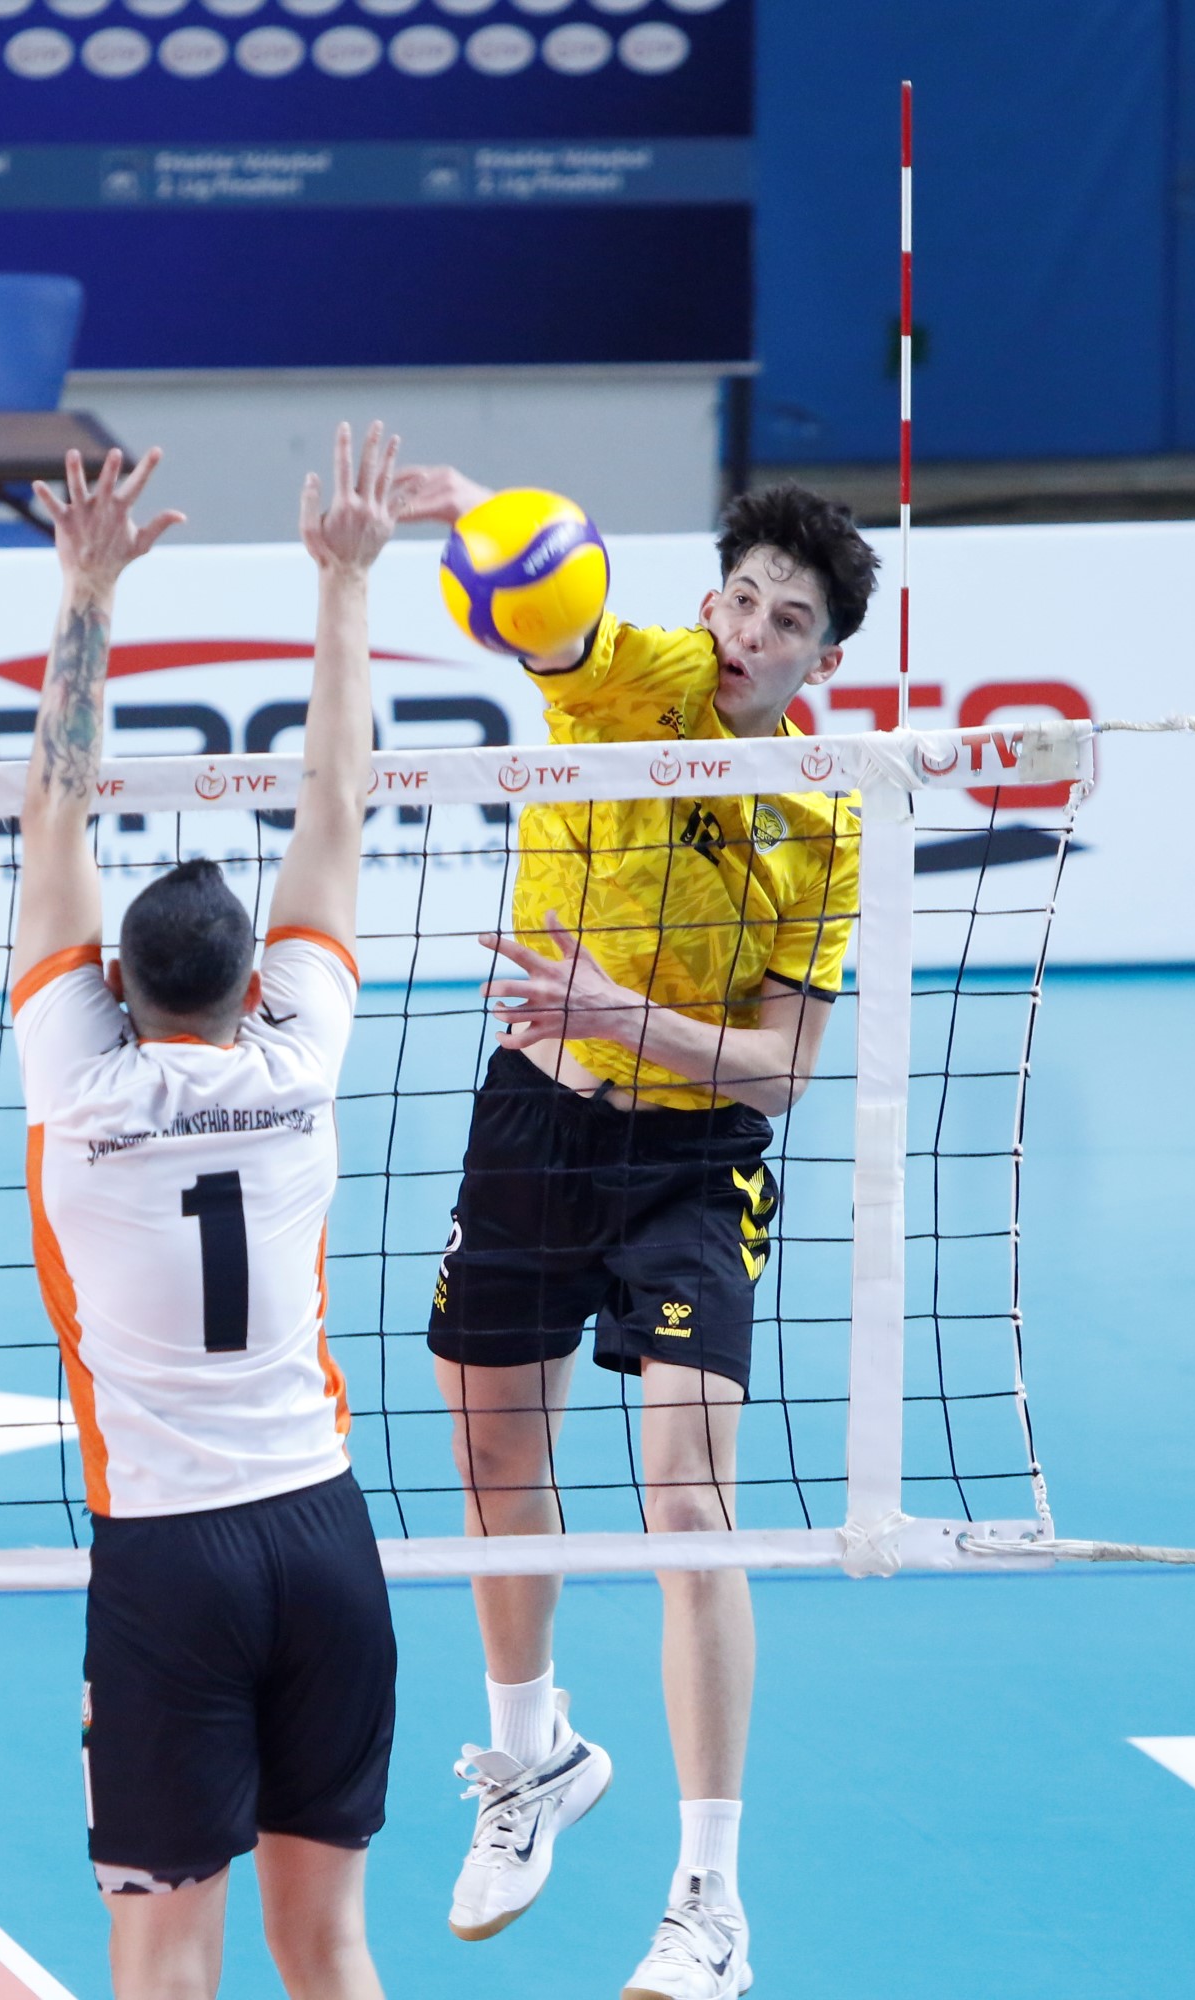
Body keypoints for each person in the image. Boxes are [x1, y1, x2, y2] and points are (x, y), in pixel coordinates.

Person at [392, 469, 873, 2000]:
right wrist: (482, 515)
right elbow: (556, 613)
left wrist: (625, 1013)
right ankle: (532, 1759)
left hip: (694, 1159)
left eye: (786, 622)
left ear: (823, 660)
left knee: (686, 1501)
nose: (750, 634)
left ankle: (710, 1900)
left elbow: (784, 1073)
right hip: (534, 1122)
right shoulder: (645, 680)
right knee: (492, 1457)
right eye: (740, 599)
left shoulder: (826, 815)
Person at [12, 430, 397, 2000]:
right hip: (326, 1534)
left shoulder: (78, 1084)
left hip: (170, 1560)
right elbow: (336, 804)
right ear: (256, 982)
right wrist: (347, 584)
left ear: (114, 982)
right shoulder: (304, 1061)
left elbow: (54, 816)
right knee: (332, 1944)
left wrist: (88, 588)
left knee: (169, 1953)